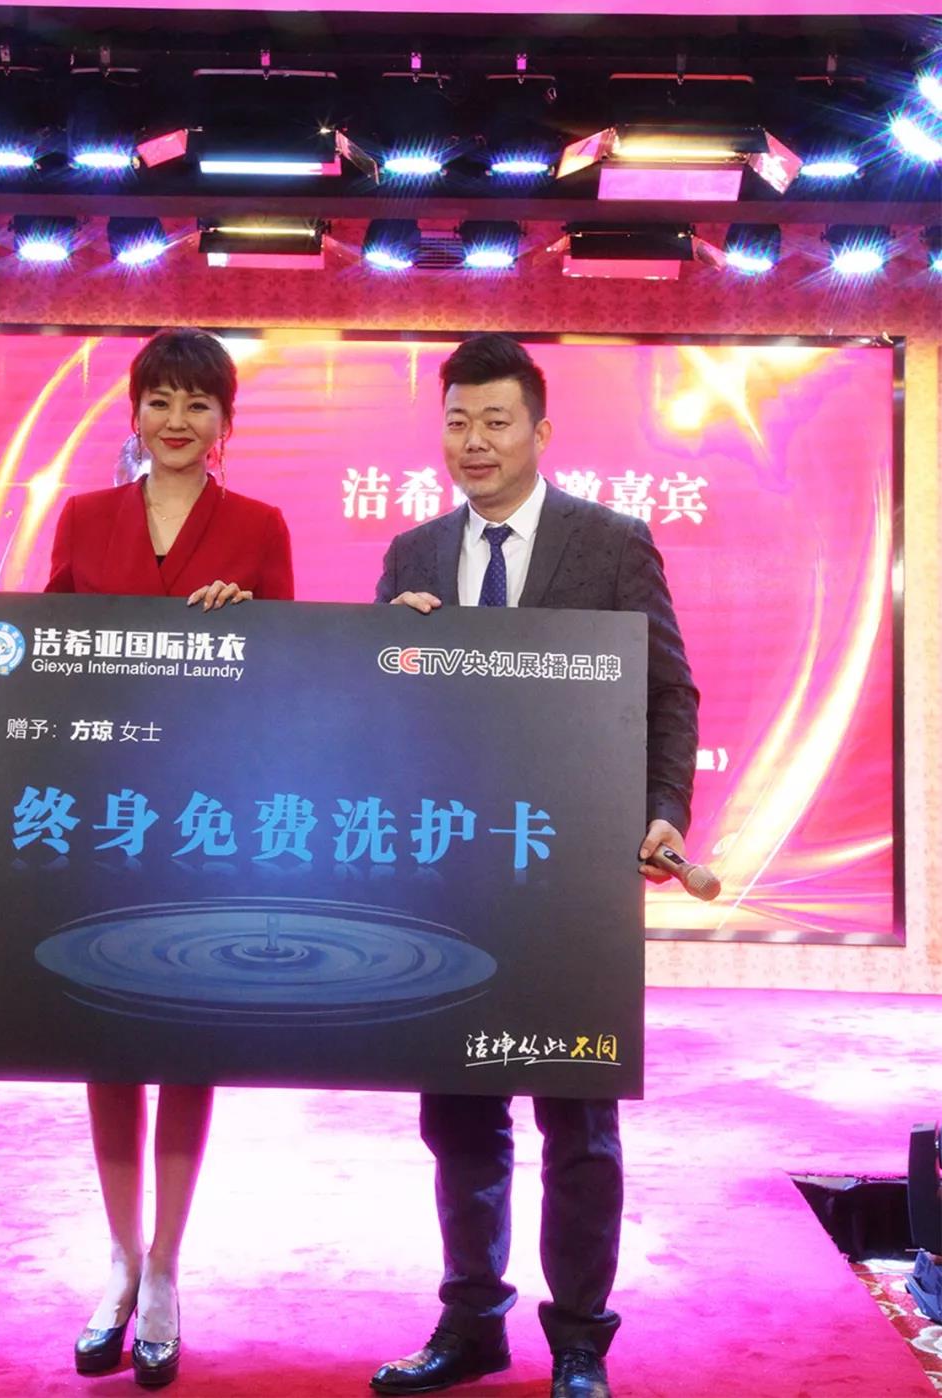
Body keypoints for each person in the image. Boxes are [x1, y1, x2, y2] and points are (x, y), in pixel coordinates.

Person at [0, 327, 294, 1389]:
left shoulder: (260, 526)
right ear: (133, 413)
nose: (177, 421)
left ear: (225, 422)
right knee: (105, 1042)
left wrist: (253, 627)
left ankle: (168, 1268)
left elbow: (298, 673)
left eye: (198, 403)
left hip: (206, 818)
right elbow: (40, 664)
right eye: (159, 400)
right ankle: (122, 1264)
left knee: (186, 1043)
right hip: (101, 820)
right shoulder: (85, 517)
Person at [368, 335, 698, 1398]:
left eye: (496, 420)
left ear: (541, 430)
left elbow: (668, 692)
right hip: (449, 879)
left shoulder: (612, 543)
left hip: (571, 882)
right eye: (458, 421)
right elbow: (375, 707)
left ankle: (582, 1341)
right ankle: (472, 1322)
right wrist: (383, 647)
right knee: (459, 1114)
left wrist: (663, 812)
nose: (475, 441)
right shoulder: (414, 557)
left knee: (578, 1119)